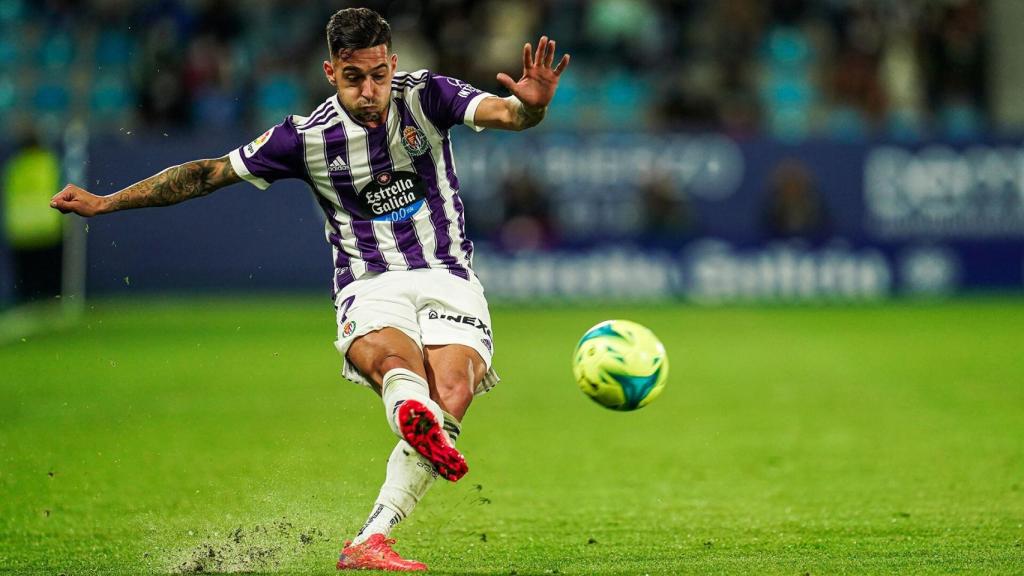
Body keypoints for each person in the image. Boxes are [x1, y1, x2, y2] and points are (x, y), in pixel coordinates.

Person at [50, 7, 569, 573]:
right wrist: (108, 202)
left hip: (447, 274)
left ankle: (372, 534)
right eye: (353, 78)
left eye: (379, 75)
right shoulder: (304, 137)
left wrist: (533, 106)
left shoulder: (428, 95)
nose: (368, 91)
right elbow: (207, 173)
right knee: (396, 365)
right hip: (369, 282)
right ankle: (409, 416)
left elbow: (508, 113)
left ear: (393, 64)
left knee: (454, 389)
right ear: (330, 72)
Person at [3, 129, 63, 305]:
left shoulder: (14, 166)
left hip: (21, 230)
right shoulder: (49, 161)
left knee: (27, 281)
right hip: (47, 226)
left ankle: (27, 305)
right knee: (50, 279)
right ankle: (52, 304)